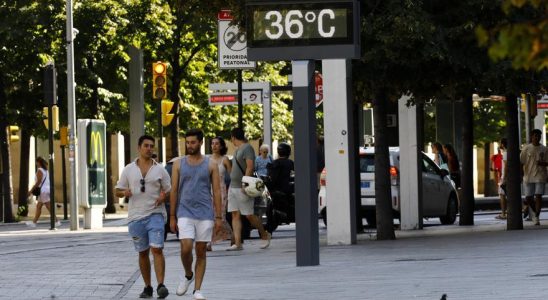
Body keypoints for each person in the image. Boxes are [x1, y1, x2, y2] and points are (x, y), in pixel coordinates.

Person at [115, 135, 171, 299]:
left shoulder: (160, 169)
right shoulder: (128, 169)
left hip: (156, 214)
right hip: (136, 217)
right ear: (139, 147)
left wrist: (164, 197)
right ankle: (148, 287)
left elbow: (170, 190)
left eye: (151, 146)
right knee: (143, 252)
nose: (149, 148)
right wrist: (124, 192)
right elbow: (117, 190)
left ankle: (161, 284)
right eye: (146, 145)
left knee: (157, 248)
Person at [169, 129, 223, 300]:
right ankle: (188, 274)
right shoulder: (178, 164)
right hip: (184, 211)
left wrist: (219, 217)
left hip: (205, 214)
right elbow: (174, 190)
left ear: (200, 142)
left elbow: (216, 191)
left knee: (201, 251)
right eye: (187, 142)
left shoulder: (211, 165)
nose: (189, 145)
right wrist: (172, 215)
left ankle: (197, 290)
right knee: (185, 248)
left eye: (193, 142)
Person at [226, 127, 271, 251]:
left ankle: (264, 234)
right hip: (233, 186)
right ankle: (238, 243)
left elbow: (250, 167)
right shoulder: (237, 150)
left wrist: (244, 183)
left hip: (242, 187)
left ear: (233, 137)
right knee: (235, 214)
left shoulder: (247, 148)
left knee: (249, 215)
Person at [207, 136, 233, 250]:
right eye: (212, 143)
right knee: (210, 216)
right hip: (209, 191)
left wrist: (231, 189)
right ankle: (209, 242)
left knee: (220, 216)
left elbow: (232, 176)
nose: (214, 146)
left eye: (217, 143)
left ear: (221, 146)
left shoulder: (225, 159)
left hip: (222, 191)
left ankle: (232, 236)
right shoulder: (207, 159)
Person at [520, 129, 547, 226]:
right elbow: (521, 162)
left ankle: (536, 217)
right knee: (528, 197)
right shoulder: (526, 148)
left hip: (540, 175)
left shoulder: (544, 149)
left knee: (538, 195)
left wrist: (542, 163)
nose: (537, 138)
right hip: (528, 175)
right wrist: (521, 175)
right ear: (531, 137)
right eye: (535, 136)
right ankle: (534, 210)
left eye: (539, 136)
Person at [26, 157, 61, 228]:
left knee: (49, 207)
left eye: (36, 162)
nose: (36, 163)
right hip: (46, 190)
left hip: (43, 191)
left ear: (39, 162)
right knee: (38, 206)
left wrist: (31, 191)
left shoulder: (39, 170)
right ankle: (34, 223)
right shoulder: (46, 170)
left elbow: (38, 182)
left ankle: (57, 221)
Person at [496, 138, 508, 220]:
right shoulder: (507, 153)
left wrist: (503, 179)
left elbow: (506, 167)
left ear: (503, 144)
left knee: (502, 194)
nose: (499, 145)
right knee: (507, 194)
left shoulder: (506, 154)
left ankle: (503, 213)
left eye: (500, 143)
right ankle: (504, 212)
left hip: (505, 177)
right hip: (506, 176)